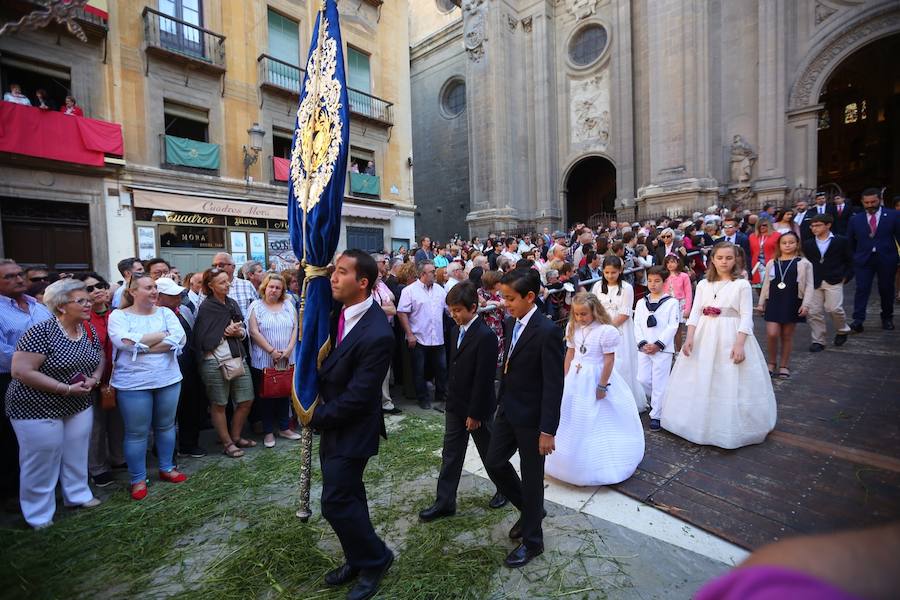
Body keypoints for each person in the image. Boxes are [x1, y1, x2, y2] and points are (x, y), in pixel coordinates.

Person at [311, 250, 395, 600]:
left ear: (363, 282)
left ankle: (376, 559)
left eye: (342, 272)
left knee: (334, 501)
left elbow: (360, 397)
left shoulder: (377, 333)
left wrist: (315, 416)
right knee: (350, 496)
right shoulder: (336, 313)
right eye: (334, 270)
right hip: (335, 424)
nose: (333, 277)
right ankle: (357, 557)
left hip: (353, 428)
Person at [6, 279, 103, 527]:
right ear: (61, 306)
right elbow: (21, 371)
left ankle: (78, 494)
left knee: (76, 452)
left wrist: (94, 378)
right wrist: (65, 388)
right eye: (81, 300)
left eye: (88, 300)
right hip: (36, 406)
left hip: (77, 403)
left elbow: (99, 355)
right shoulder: (41, 331)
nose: (88, 304)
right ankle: (38, 514)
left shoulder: (87, 328)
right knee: (41, 459)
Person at [485, 268, 564, 568]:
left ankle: (533, 541)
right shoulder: (510, 321)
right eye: (503, 298)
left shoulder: (547, 331)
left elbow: (554, 385)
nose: (505, 304)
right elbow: (509, 364)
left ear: (530, 297)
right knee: (494, 462)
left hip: (533, 419)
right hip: (508, 410)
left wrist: (547, 430)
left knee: (532, 480)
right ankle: (531, 511)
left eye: (510, 298)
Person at [661, 243, 776, 449]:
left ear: (736, 260)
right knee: (702, 375)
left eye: (729, 258)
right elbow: (695, 312)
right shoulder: (704, 284)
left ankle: (726, 425)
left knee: (728, 376)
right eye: (720, 257)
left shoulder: (741, 285)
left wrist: (740, 343)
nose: (724, 261)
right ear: (712, 259)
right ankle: (697, 422)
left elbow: (746, 316)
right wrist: (689, 337)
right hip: (705, 333)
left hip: (730, 333)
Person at [419, 282, 516, 522]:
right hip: (456, 405)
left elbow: (483, 380)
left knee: (491, 454)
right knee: (450, 454)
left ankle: (505, 488)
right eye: (451, 311)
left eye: (458, 311)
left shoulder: (485, 336)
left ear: (473, 308)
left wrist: (475, 414)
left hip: (477, 408)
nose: (454, 315)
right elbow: (455, 367)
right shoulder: (454, 331)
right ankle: (444, 501)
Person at [545, 292, 643, 486]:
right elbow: (570, 354)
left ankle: (599, 461)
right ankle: (567, 459)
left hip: (595, 376)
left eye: (584, 314)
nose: (580, 318)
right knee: (570, 414)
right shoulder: (573, 328)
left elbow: (609, 360)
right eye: (577, 314)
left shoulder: (605, 331)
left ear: (595, 311)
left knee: (596, 416)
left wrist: (602, 384)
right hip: (576, 375)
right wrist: (564, 377)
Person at [108, 276, 187, 500]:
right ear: (132, 291)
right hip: (133, 383)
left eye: (155, 287)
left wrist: (142, 346)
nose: (154, 291)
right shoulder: (119, 315)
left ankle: (167, 467)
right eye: (148, 287)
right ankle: (138, 478)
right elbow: (123, 342)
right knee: (136, 433)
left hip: (168, 379)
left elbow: (179, 339)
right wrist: (161, 337)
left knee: (166, 426)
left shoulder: (166, 313)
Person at [0, 259, 53, 506]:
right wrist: (41, 361)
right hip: (10, 381)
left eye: (19, 274)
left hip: (51, 378)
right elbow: (4, 353)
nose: (18, 279)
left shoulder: (38, 306)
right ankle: (13, 493)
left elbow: (57, 334)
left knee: (48, 436)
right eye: (9, 277)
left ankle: (49, 486)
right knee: (12, 440)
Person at [193, 268, 255, 459]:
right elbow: (203, 338)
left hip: (237, 357)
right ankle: (227, 443)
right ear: (211, 286)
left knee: (246, 399)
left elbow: (242, 329)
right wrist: (224, 332)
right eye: (222, 282)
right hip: (214, 361)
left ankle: (235, 436)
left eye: (227, 281)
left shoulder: (232, 303)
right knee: (219, 403)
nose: (227, 285)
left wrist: (238, 332)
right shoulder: (207, 307)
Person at [75, 272, 123, 487]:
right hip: (91, 380)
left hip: (118, 378)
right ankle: (97, 467)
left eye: (100, 285)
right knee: (95, 427)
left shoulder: (117, 314)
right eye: (90, 288)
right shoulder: (82, 320)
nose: (97, 291)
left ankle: (118, 457)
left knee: (118, 422)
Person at [154, 277, 207, 458]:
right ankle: (164, 450)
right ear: (159, 296)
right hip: (166, 368)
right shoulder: (154, 315)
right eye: (172, 295)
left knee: (191, 405)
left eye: (178, 294)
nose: (178, 298)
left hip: (189, 366)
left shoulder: (184, 310)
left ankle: (189, 444)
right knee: (168, 412)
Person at [248, 274, 299, 448]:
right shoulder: (256, 306)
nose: (274, 290)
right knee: (266, 396)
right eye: (271, 287)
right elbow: (254, 332)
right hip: (265, 360)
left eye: (278, 288)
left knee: (284, 393)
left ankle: (284, 427)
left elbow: (295, 328)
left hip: (286, 358)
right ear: (264, 287)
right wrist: (271, 351)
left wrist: (289, 349)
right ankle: (268, 431)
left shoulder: (288, 305)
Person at [590, 256, 646, 412]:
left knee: (622, 362)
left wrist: (608, 328)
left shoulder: (627, 288)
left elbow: (625, 312)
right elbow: (593, 306)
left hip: (620, 329)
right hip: (600, 326)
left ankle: (625, 400)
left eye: (613, 273)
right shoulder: (597, 286)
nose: (609, 276)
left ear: (620, 271)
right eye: (606, 272)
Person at [756, 232, 814, 379]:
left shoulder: (804, 263)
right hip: (774, 301)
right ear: (779, 245)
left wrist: (806, 304)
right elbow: (766, 284)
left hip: (792, 301)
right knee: (772, 333)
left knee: (787, 336)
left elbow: (809, 286)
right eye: (784, 243)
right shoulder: (772, 263)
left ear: (797, 244)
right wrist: (761, 303)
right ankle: (771, 362)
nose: (787, 245)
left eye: (791, 242)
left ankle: (784, 365)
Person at [846, 188, 900, 332]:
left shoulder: (894, 216)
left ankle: (887, 318)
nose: (870, 205)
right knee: (862, 289)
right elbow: (849, 241)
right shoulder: (855, 219)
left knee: (886, 289)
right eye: (867, 202)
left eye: (873, 202)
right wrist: (853, 258)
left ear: (880, 200)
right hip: (863, 261)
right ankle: (858, 320)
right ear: (862, 203)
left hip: (887, 259)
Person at [396, 260, 447, 410]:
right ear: (423, 274)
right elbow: (402, 313)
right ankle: (423, 398)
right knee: (419, 370)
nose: (435, 273)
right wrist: (409, 334)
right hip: (419, 337)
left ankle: (441, 394)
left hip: (437, 337)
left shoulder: (440, 290)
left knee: (442, 368)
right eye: (432, 271)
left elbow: (447, 309)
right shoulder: (409, 291)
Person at [635, 267, 681, 432]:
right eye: (650, 281)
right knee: (643, 379)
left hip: (662, 349)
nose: (653, 284)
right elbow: (638, 323)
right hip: (644, 347)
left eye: (657, 281)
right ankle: (661, 401)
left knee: (660, 381)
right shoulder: (641, 302)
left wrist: (658, 344)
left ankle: (656, 415)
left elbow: (672, 326)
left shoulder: (671, 302)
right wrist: (642, 343)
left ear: (664, 281)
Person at [804, 214, 853, 352]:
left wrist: (846, 276)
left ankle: (842, 330)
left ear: (828, 225)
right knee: (814, 312)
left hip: (834, 279)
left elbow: (850, 260)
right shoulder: (808, 243)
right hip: (814, 280)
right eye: (812, 226)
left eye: (818, 225)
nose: (814, 228)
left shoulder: (841, 241)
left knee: (834, 308)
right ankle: (818, 340)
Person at [211, 252, 259, 321]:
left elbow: (257, 311)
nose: (217, 268)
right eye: (214, 266)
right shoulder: (208, 287)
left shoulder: (247, 285)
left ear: (233, 267)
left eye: (221, 265)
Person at [476, 270, 507, 367]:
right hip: (487, 325)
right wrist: (494, 303)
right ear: (493, 283)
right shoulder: (480, 292)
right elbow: (480, 304)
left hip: (499, 324)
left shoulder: (499, 293)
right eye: (499, 282)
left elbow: (503, 301)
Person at [663, 255, 693, 352]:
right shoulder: (664, 276)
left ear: (678, 263)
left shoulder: (684, 276)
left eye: (672, 262)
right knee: (667, 328)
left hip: (680, 304)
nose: (670, 264)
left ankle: (678, 351)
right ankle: (668, 350)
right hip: (667, 304)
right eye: (668, 262)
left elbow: (688, 293)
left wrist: (687, 309)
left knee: (678, 329)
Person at [748, 218, 780, 288]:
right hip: (756, 264)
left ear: (769, 225)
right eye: (759, 226)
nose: (762, 227)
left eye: (764, 225)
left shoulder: (777, 235)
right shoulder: (752, 236)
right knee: (757, 285)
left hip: (772, 263)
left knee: (772, 285)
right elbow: (750, 251)